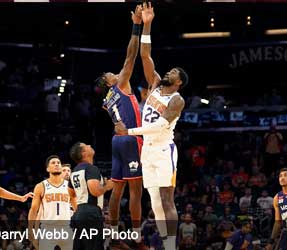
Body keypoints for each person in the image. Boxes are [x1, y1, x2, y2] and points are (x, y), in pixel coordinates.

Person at [115, 2, 189, 249]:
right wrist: (147, 25)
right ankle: (166, 244)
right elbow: (145, 55)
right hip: (147, 149)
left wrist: (130, 131)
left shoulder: (177, 99)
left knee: (167, 197)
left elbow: (160, 126)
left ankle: (171, 245)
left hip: (163, 149)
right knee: (154, 198)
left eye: (174, 72)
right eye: (170, 69)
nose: (170, 71)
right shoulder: (156, 84)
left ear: (179, 82)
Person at [95, 5, 145, 249]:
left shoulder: (106, 100)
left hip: (115, 142)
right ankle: (136, 232)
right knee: (136, 189)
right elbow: (131, 56)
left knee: (117, 189)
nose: (115, 73)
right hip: (130, 140)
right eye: (110, 74)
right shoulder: (121, 85)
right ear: (109, 81)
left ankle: (113, 230)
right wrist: (137, 26)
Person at [68, 142, 114, 250]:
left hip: (79, 213)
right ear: (84, 153)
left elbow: (71, 194)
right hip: (91, 213)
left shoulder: (74, 171)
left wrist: (78, 210)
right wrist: (107, 186)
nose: (89, 145)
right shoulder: (91, 168)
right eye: (86, 145)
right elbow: (95, 191)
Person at [28, 155, 77, 250]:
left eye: (58, 163)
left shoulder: (69, 186)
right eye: (53, 163)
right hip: (47, 229)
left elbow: (76, 208)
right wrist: (30, 229)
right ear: (47, 169)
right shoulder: (41, 186)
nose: (57, 164)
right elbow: (34, 210)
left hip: (66, 227)